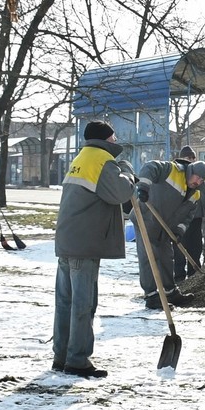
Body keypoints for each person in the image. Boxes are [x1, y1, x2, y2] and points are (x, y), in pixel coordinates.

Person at [52, 120, 136, 378]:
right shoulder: (102, 160)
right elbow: (121, 192)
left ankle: (61, 356)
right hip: (85, 244)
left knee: (65, 302)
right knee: (83, 304)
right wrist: (127, 169)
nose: (115, 141)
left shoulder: (82, 157)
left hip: (68, 240)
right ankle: (78, 361)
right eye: (113, 137)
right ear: (107, 138)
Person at [133, 157, 205, 310]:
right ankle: (152, 296)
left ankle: (170, 292)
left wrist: (179, 231)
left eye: (202, 180)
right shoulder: (172, 170)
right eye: (198, 177)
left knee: (167, 257)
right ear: (191, 171)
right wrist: (144, 188)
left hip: (165, 228)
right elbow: (150, 166)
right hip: (146, 218)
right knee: (149, 257)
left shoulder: (195, 194)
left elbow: (188, 217)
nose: (198, 182)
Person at [173, 145, 204, 282]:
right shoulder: (177, 173)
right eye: (188, 157)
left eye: (193, 157)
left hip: (196, 217)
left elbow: (204, 187)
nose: (191, 160)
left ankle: (194, 275)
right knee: (179, 247)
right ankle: (179, 276)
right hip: (179, 218)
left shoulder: (199, 173)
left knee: (196, 246)